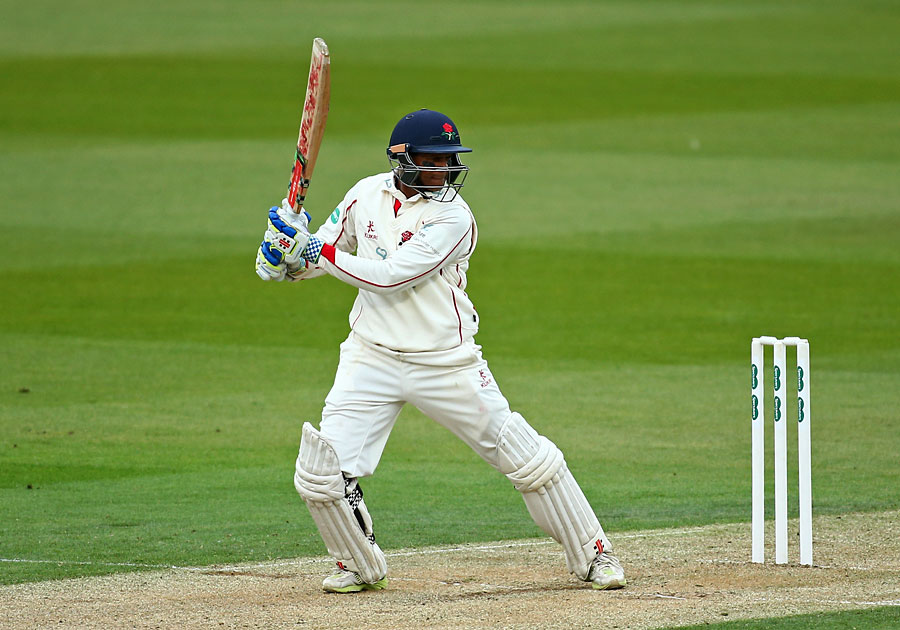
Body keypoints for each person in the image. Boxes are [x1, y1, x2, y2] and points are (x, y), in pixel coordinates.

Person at [254, 109, 626, 593]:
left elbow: (390, 277)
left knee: (525, 456)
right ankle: (357, 564)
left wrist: (310, 252)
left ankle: (594, 553)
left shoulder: (454, 217)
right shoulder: (363, 194)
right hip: (371, 355)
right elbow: (322, 257)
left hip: (445, 360)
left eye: (450, 161)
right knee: (321, 474)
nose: (444, 171)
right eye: (433, 160)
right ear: (400, 159)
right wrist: (283, 254)